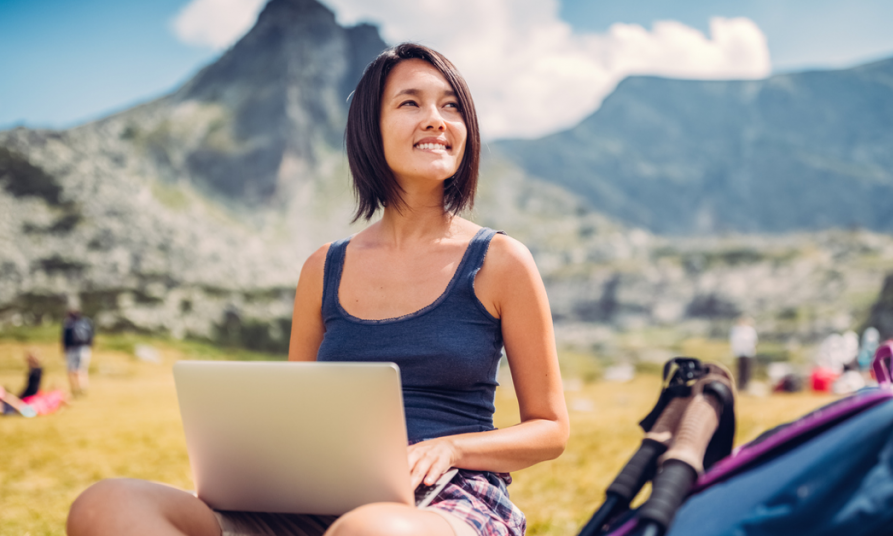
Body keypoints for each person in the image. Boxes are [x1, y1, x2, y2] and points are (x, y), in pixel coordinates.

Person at [67, 43, 569, 536]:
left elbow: (550, 428)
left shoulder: (501, 261)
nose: (437, 118)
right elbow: (297, 420)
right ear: (370, 130)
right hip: (319, 502)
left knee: (370, 530)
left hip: (450, 497)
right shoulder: (323, 268)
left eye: (452, 105)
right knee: (106, 505)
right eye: (410, 102)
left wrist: (451, 448)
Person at [62, 309, 94, 397]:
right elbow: (91, 336)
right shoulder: (86, 323)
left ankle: (75, 389)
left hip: (72, 349)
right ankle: (83, 388)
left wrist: (64, 351)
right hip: (84, 348)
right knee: (82, 370)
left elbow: (65, 339)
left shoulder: (68, 324)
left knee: (72, 370)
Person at [730, 316, 758, 391]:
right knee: (739, 370)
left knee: (747, 370)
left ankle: (746, 386)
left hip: (748, 353)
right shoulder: (736, 330)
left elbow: (753, 341)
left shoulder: (750, 330)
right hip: (739, 353)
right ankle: (740, 386)